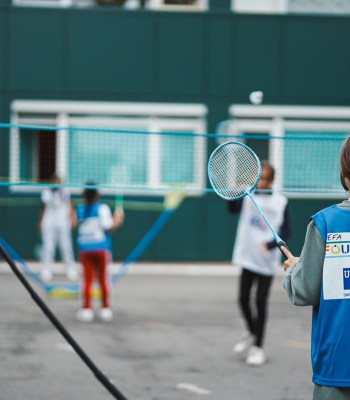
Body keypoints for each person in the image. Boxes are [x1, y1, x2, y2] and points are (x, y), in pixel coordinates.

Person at [282, 136, 350, 400]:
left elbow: (304, 290)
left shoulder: (325, 222)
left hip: (336, 364)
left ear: (344, 172)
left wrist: (293, 269)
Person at [228, 161, 291, 366]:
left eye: (265, 179)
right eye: (259, 178)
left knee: (260, 302)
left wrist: (271, 244)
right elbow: (231, 208)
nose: (261, 182)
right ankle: (252, 331)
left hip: (266, 261)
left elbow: (287, 231)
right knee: (242, 299)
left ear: (272, 181)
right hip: (248, 257)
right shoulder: (247, 196)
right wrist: (235, 191)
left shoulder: (281, 202)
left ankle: (258, 348)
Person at [75, 185, 125, 323]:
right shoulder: (102, 208)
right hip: (100, 249)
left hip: (85, 249)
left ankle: (86, 309)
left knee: (87, 279)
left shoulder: (79, 209)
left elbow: (75, 225)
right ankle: (105, 308)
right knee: (103, 278)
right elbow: (109, 228)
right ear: (97, 195)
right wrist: (117, 219)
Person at [38, 173, 77, 282]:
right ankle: (46, 269)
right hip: (49, 223)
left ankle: (70, 269)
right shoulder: (46, 193)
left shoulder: (65, 192)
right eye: (54, 181)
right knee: (48, 247)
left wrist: (73, 219)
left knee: (66, 247)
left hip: (63, 223)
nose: (57, 183)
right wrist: (40, 222)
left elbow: (70, 206)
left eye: (58, 181)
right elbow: (43, 208)